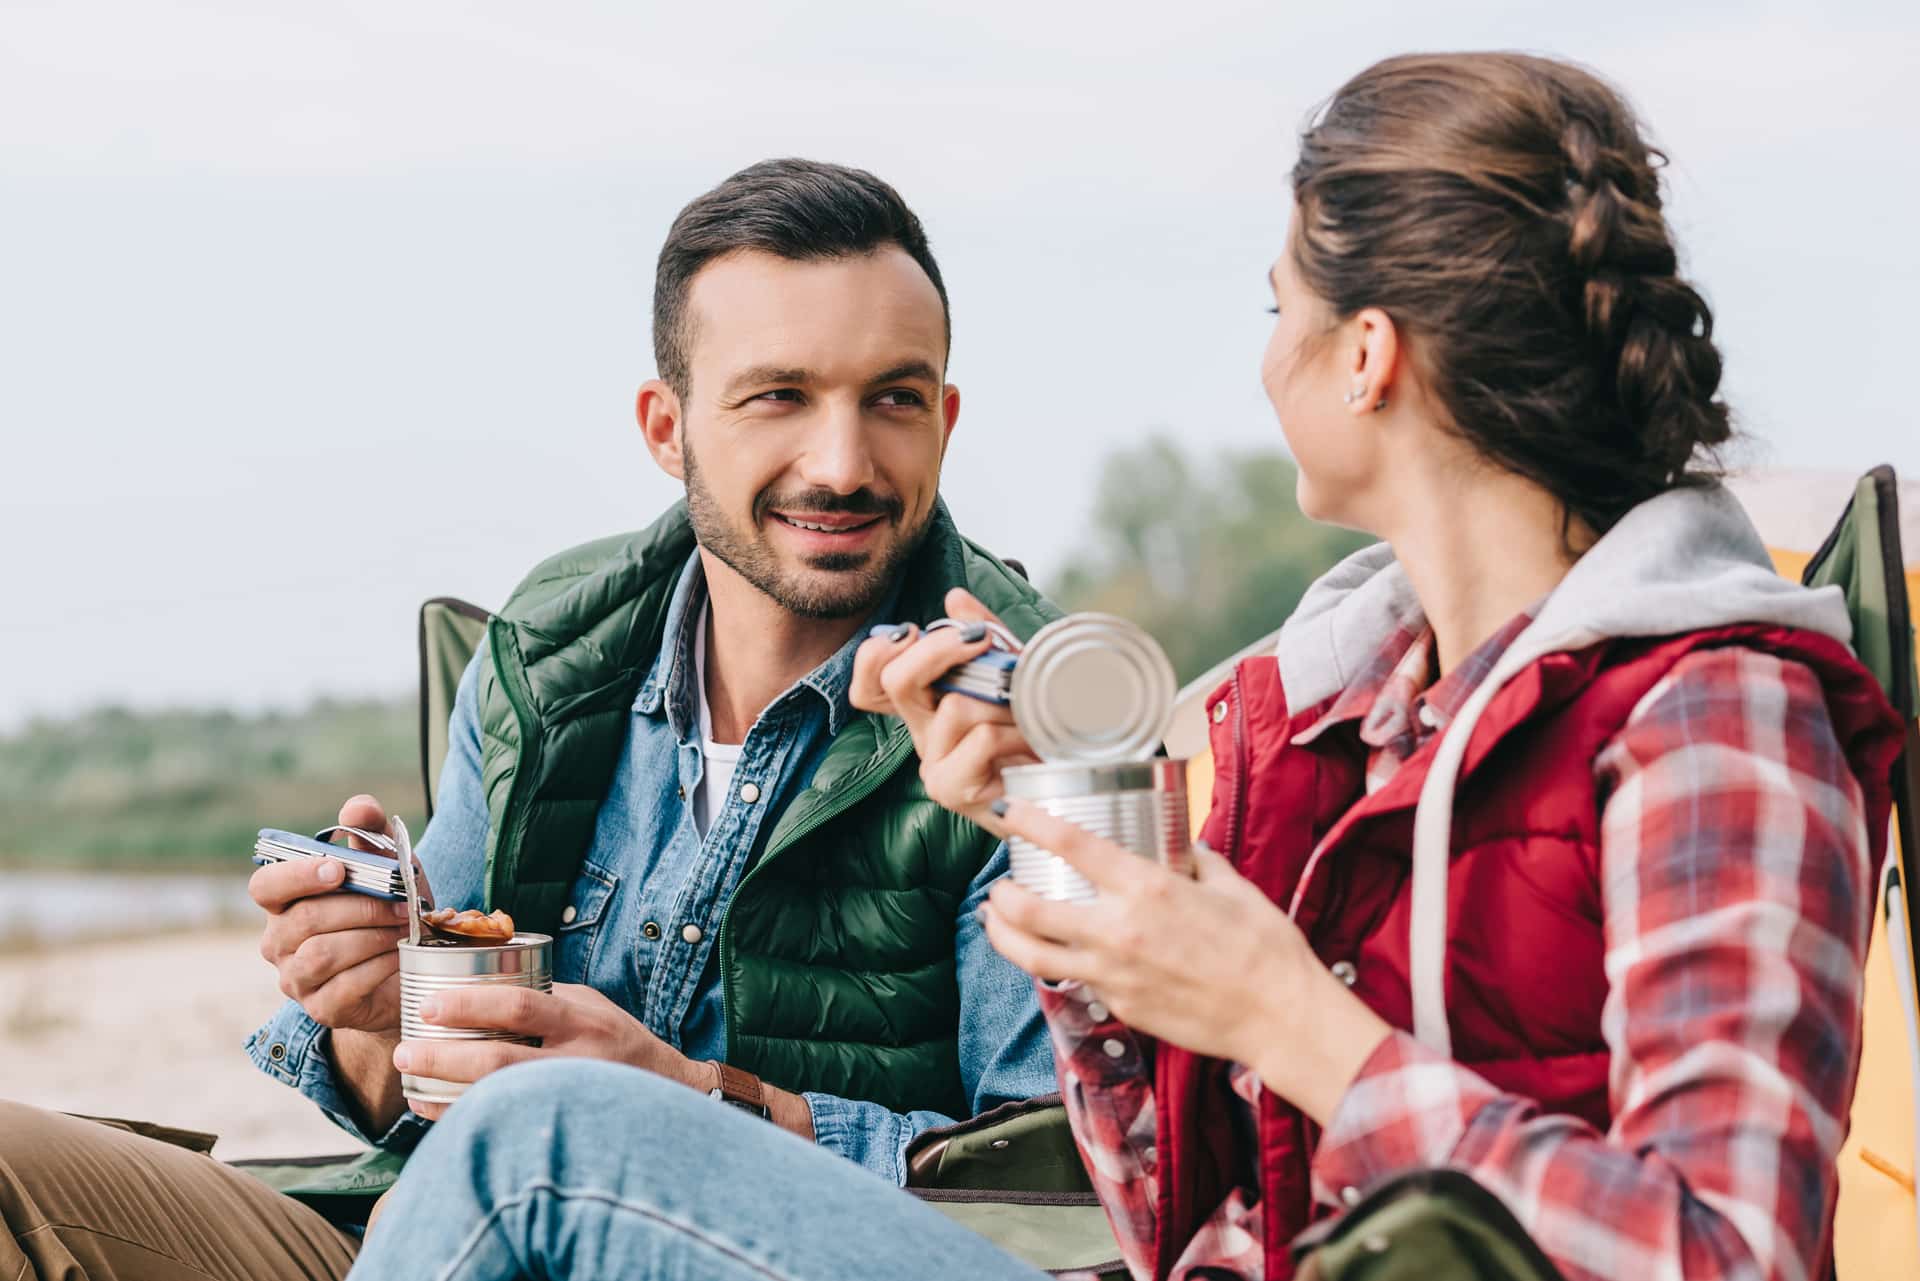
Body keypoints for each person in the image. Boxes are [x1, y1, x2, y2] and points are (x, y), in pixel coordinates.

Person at [342, 51, 1903, 1281]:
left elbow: (1731, 1254)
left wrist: (1291, 1021)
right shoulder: (1328, 713)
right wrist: (1059, 849)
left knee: (542, 1146)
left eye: (1280, 309)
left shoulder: (1718, 710)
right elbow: (1161, 1207)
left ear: (1366, 356)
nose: (1264, 354)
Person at [0, 158, 1060, 1281]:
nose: (843, 465)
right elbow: (414, 1093)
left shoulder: (1034, 721)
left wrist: (689, 1104)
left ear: (944, 420)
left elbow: (1058, 1186)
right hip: (441, 1234)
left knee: (541, 1141)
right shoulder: (549, 653)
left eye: (893, 399)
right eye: (778, 397)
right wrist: (374, 1013)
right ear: (667, 428)